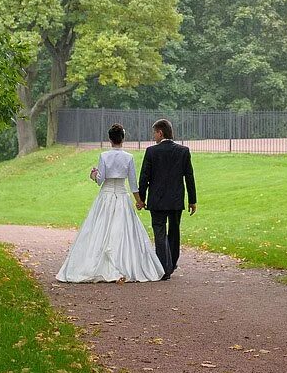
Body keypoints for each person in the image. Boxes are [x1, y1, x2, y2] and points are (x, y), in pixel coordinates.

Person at [56, 124, 164, 283]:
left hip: (105, 197)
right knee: (123, 231)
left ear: (110, 139)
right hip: (121, 196)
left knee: (99, 229)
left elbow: (100, 180)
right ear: (123, 138)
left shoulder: (104, 156)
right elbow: (133, 184)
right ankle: (124, 265)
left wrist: (93, 174)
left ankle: (96, 266)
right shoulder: (128, 157)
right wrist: (139, 201)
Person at [137, 118, 197, 281]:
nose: (153, 137)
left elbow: (144, 177)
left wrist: (141, 198)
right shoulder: (183, 151)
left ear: (160, 132)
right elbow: (189, 177)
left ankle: (164, 267)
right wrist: (192, 200)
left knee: (159, 232)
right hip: (176, 199)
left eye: (154, 133)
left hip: (157, 200)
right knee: (174, 230)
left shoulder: (151, 152)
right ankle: (172, 263)